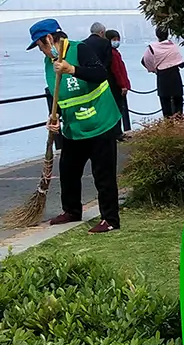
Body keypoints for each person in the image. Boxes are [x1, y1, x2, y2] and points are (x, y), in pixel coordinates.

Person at [28, 18, 122, 233]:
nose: (40, 51)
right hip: (73, 126)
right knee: (68, 170)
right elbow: (56, 94)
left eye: (39, 45)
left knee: (103, 174)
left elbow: (100, 74)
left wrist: (72, 69)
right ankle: (72, 210)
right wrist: (55, 117)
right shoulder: (49, 63)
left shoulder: (81, 49)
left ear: (49, 39)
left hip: (100, 122)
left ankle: (110, 220)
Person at [141, 27, 184, 118]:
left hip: (162, 76)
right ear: (168, 34)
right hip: (174, 76)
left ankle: (168, 125)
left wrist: (154, 69)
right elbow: (181, 64)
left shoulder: (152, 48)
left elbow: (144, 61)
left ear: (156, 35)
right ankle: (180, 122)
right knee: (178, 100)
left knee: (165, 102)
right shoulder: (173, 46)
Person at [105, 29, 132, 135]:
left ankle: (117, 131)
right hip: (117, 86)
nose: (116, 42)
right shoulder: (112, 54)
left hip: (116, 85)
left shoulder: (112, 53)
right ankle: (117, 132)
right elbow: (117, 70)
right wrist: (123, 85)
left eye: (117, 39)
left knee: (117, 108)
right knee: (118, 108)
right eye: (114, 39)